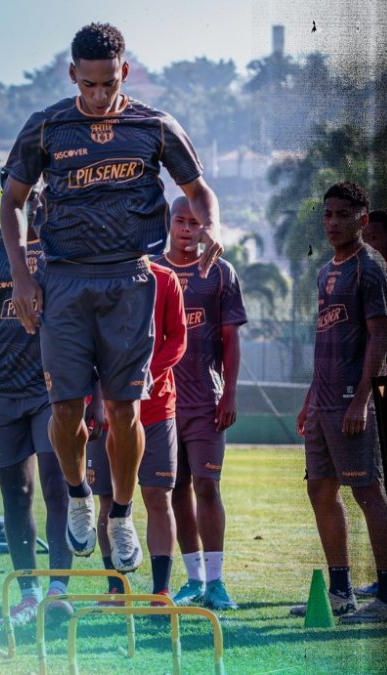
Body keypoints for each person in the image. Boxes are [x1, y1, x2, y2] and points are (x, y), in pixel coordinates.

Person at [0, 22, 223, 573]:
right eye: (89, 84)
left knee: (125, 410)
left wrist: (213, 223)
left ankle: (121, 514)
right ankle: (79, 496)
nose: (98, 96)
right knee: (66, 408)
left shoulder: (155, 125)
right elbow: (12, 204)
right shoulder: (46, 126)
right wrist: (23, 280)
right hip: (65, 280)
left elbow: (197, 190)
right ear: (74, 73)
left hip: (129, 279)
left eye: (108, 84)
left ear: (125, 71)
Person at [0, 179, 73, 625]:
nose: (34, 200)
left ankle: (57, 591)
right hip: (3, 393)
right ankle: (27, 594)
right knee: (16, 495)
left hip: (53, 389)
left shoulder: (66, 250)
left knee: (55, 485)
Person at [291, 181, 387, 623]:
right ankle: (340, 593)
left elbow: (378, 337)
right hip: (323, 402)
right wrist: (311, 398)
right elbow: (326, 338)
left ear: (362, 219)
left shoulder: (369, 269)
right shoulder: (326, 270)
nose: (332, 222)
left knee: (368, 492)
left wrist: (363, 401)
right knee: (320, 489)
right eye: (328, 214)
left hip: (354, 402)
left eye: (341, 215)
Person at [156, 196, 247, 610]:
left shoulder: (220, 272)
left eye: (194, 222)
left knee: (207, 487)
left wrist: (229, 392)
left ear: (203, 227)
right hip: (161, 401)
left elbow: (231, 339)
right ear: (170, 222)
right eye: (180, 220)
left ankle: (216, 583)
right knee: (176, 489)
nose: (187, 229)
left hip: (206, 401)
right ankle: (192, 581)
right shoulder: (153, 272)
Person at [88, 260, 186, 599]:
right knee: (106, 499)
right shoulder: (97, 277)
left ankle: (161, 590)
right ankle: (116, 588)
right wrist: (99, 395)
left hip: (157, 407)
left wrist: (143, 377)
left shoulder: (165, 279)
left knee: (158, 495)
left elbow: (178, 338)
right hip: (103, 410)